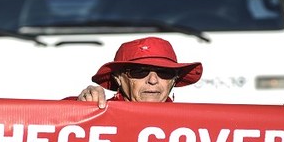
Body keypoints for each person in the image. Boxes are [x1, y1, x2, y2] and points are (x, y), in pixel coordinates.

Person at [73, 36, 202, 108]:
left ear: (174, 79)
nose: (153, 80)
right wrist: (78, 108)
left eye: (164, 72)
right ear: (118, 78)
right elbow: (56, 117)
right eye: (139, 72)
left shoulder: (193, 125)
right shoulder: (96, 112)